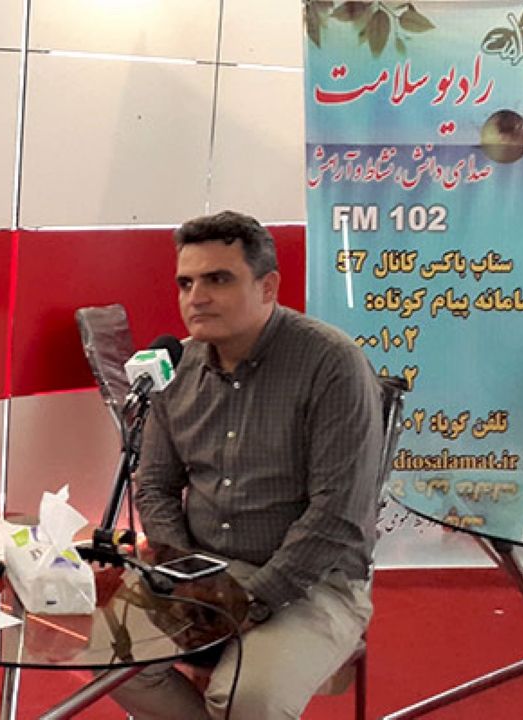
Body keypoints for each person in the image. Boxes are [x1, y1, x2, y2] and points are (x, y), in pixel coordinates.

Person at [113, 211, 383, 720]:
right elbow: (156, 488)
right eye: (186, 283)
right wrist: (183, 572)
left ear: (268, 287)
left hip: (313, 583)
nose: (197, 297)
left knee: (248, 700)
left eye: (218, 279)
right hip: (201, 571)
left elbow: (337, 514)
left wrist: (250, 601)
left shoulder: (332, 364)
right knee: (108, 653)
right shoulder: (174, 369)